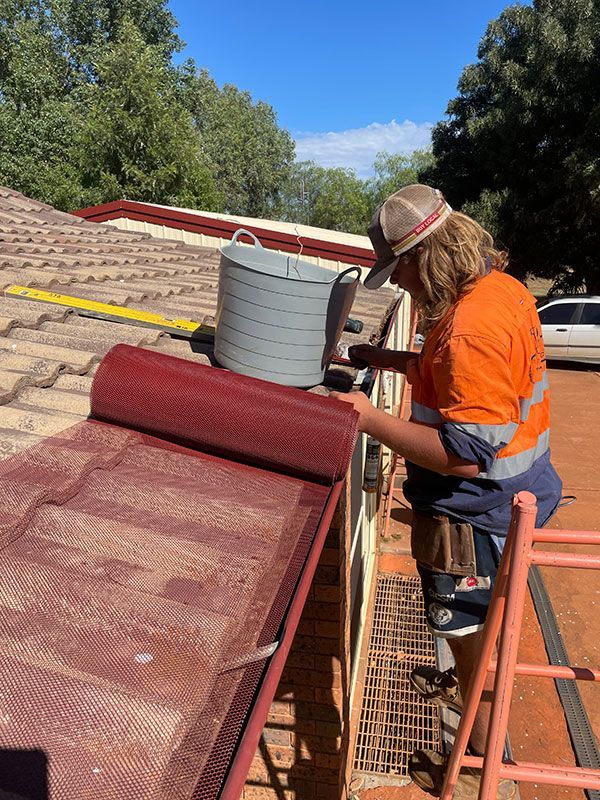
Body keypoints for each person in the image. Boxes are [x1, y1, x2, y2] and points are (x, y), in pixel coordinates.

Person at [331, 184, 562, 799]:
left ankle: (479, 763)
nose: (402, 286)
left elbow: (465, 454)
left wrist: (367, 417)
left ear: (422, 257)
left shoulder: (469, 328)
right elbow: (460, 379)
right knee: (483, 639)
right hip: (520, 494)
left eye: (400, 272)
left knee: (470, 649)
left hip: (478, 518)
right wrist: (388, 359)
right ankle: (476, 726)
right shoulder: (499, 289)